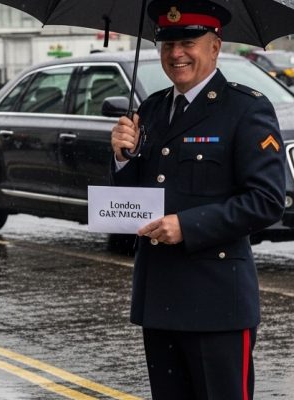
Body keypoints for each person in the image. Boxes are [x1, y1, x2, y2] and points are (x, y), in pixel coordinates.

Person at [110, 1, 286, 398]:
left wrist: (186, 226)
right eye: (168, 43)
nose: (176, 54)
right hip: (159, 297)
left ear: (215, 46)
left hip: (217, 303)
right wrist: (122, 158)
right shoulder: (152, 109)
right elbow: (133, 200)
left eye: (188, 42)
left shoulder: (245, 108)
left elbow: (266, 199)